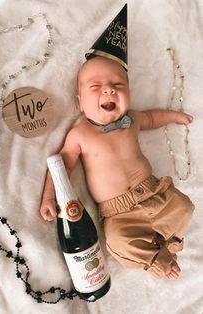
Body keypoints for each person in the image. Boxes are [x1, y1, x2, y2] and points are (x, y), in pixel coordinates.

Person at [40, 55, 194, 279]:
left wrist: (174, 116)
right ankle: (155, 259)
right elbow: (61, 166)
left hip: (155, 193)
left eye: (118, 85)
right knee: (118, 242)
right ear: (81, 101)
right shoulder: (80, 135)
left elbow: (152, 118)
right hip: (120, 213)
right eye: (96, 86)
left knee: (184, 206)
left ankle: (167, 244)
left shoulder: (132, 119)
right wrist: (48, 197)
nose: (109, 90)